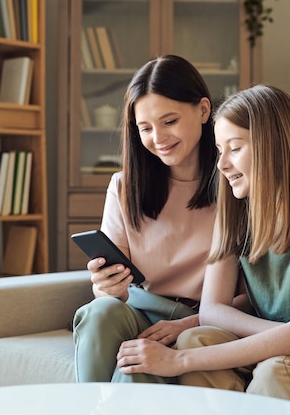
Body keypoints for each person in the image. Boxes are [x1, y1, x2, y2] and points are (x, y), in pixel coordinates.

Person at [115, 85, 290, 412]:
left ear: (272, 147)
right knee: (197, 336)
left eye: (234, 149)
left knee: (274, 373)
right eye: (219, 150)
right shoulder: (235, 209)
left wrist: (179, 361)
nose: (221, 165)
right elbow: (212, 310)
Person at [72, 54, 218, 384]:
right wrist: (106, 286)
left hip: (204, 319)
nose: (158, 138)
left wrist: (187, 325)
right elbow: (114, 294)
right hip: (141, 309)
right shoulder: (124, 186)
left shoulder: (235, 182)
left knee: (136, 365)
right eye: (145, 128)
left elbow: (256, 294)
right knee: (100, 313)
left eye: (170, 122)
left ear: (203, 110)